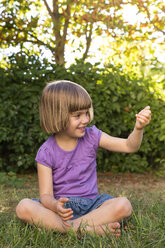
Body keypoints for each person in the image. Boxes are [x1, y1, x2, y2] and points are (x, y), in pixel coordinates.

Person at [16, 80, 151, 236]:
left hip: (92, 206)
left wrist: (138, 128)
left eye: (87, 112)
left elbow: (129, 146)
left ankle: (64, 229)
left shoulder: (92, 136)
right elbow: (46, 196)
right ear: (56, 116)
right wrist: (55, 206)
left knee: (124, 205)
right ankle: (91, 230)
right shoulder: (46, 152)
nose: (86, 119)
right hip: (61, 210)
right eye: (77, 115)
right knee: (23, 207)